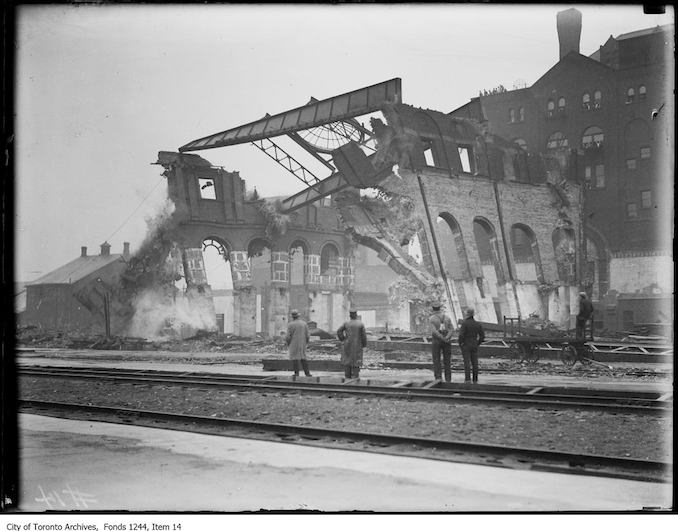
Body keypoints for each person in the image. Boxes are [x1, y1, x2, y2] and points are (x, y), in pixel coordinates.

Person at [336, 309, 367, 379]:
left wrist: (343, 339)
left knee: (347, 362)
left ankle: (347, 378)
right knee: (356, 362)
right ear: (356, 315)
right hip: (357, 346)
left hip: (347, 345)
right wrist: (364, 345)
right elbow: (364, 336)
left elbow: (339, 331)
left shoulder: (346, 323)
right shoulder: (360, 324)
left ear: (350, 316)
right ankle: (355, 378)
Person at [458, 308, 485, 384]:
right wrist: (477, 343)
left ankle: (467, 379)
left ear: (467, 314)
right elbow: (482, 336)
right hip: (474, 344)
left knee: (467, 362)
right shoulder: (478, 324)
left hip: (466, 345)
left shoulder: (465, 323)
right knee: (475, 363)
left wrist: (461, 344)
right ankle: (475, 379)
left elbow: (461, 335)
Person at [429, 301, 454, 382]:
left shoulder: (432, 319)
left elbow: (434, 331)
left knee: (436, 360)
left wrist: (441, 338)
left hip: (437, 341)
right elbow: (451, 329)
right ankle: (448, 378)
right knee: (447, 360)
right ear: (440, 308)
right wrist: (447, 337)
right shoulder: (447, 318)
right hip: (447, 341)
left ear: (433, 309)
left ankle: (438, 377)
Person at [286, 309, 311, 377]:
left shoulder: (290, 325)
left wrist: (288, 343)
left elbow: (288, 336)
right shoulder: (304, 324)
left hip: (294, 343)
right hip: (302, 343)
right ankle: (307, 373)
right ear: (298, 316)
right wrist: (306, 342)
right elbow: (308, 335)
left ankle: (296, 373)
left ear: (292, 317)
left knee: (295, 358)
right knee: (303, 358)